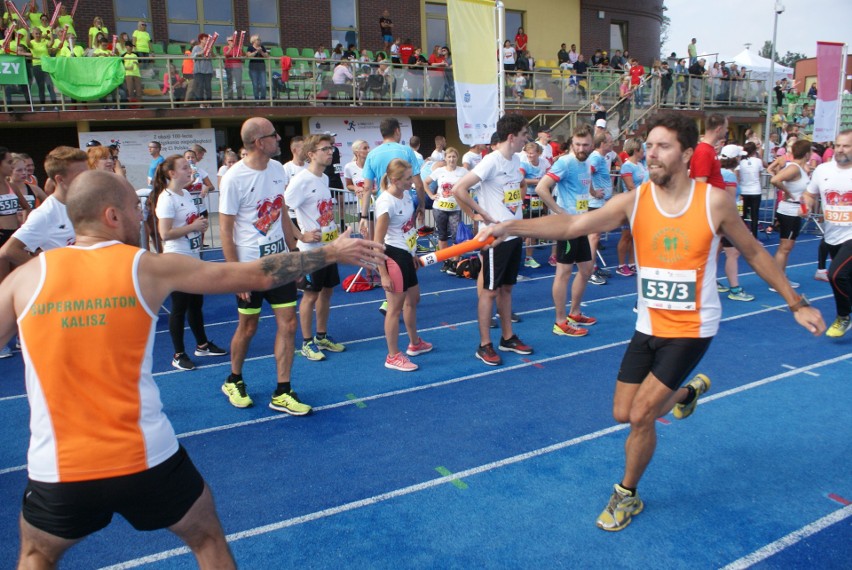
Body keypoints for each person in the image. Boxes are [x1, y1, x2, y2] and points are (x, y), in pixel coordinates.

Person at [0, 169, 385, 568]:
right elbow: (256, 273)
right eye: (136, 208)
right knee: (205, 538)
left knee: (35, 554)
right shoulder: (146, 266)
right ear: (112, 216)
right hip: (145, 457)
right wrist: (332, 253)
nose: (141, 217)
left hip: (58, 468)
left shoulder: (24, 279)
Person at [475, 113, 825, 532]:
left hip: (692, 327)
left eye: (664, 147)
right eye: (651, 146)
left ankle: (626, 495)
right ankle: (685, 394)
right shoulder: (635, 200)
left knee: (641, 415)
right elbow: (571, 224)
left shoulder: (713, 202)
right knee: (623, 412)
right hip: (648, 324)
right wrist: (509, 225)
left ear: (687, 154)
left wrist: (796, 302)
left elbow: (753, 253)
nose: (653, 154)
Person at [218, 118, 307, 414]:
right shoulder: (233, 178)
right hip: (249, 269)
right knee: (249, 326)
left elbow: (281, 210)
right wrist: (236, 276)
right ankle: (234, 378)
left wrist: (293, 253)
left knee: (289, 323)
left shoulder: (277, 169)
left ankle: (283, 390)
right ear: (258, 142)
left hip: (279, 262)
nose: (279, 138)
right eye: (273, 135)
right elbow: (225, 231)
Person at [451, 113, 534, 366]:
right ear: (512, 137)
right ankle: (484, 344)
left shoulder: (516, 159)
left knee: (507, 288)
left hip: (514, 235)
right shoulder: (491, 162)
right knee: (489, 291)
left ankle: (507, 337)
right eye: (523, 136)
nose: (526, 141)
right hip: (495, 239)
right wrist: (480, 214)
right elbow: (458, 189)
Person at [152, 155, 228, 370]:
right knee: (179, 307)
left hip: (193, 256)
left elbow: (189, 223)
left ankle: (202, 344)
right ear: (172, 174)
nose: (190, 171)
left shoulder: (185, 193)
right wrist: (193, 227)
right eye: (185, 168)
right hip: (177, 259)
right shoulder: (166, 198)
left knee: (196, 303)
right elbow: (164, 233)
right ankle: (178, 354)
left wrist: (199, 226)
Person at [284, 134, 347, 361]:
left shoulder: (324, 178)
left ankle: (321, 336)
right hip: (310, 251)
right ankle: (307, 342)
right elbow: (282, 209)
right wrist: (301, 235)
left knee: (327, 292)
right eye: (324, 149)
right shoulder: (301, 180)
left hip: (327, 247)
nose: (330, 152)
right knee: (310, 296)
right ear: (311, 154)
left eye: (331, 148)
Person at [535, 124, 601, 339]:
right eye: (578, 144)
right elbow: (541, 188)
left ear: (592, 145)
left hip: (581, 223)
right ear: (572, 144)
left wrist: (593, 193)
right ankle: (560, 321)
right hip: (567, 226)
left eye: (586, 144)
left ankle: (574, 312)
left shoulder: (588, 162)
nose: (582, 148)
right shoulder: (565, 162)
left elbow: (584, 185)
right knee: (563, 273)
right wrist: (559, 212)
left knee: (586, 270)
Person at [375, 158, 432, 371]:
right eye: (408, 178)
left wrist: (414, 253)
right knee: (394, 308)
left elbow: (407, 228)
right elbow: (377, 242)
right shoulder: (385, 202)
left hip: (407, 254)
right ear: (395, 180)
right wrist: (383, 274)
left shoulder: (406, 195)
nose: (413, 182)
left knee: (413, 299)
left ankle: (415, 343)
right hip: (393, 257)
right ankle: (392, 356)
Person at [803, 129, 852, 337]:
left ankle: (843, 316)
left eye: (846, 146)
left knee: (836, 275)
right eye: (838, 145)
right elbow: (809, 192)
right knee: (846, 279)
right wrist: (807, 203)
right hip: (832, 234)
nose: (841, 150)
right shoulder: (823, 170)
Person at [769, 139, 811, 286]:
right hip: (789, 211)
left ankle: (780, 277)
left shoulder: (799, 168)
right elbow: (775, 179)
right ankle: (778, 281)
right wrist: (787, 191)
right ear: (807, 154)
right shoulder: (794, 168)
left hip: (793, 210)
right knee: (785, 248)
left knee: (785, 247)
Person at [423, 147, 468, 274]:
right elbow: (425, 182)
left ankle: (455, 262)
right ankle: (446, 261)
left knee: (456, 237)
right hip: (439, 208)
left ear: (457, 158)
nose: (452, 159)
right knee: (442, 236)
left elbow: (470, 185)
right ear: (445, 158)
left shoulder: (463, 171)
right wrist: (431, 196)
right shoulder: (439, 171)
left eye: (454, 157)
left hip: (455, 208)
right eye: (449, 157)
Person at [246, 35, 269, 100]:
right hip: (253, 66)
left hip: (261, 66)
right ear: (253, 41)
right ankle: (256, 99)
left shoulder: (262, 47)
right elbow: (249, 55)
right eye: (258, 40)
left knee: (263, 84)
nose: (259, 41)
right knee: (255, 84)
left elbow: (267, 56)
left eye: (260, 40)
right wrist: (256, 52)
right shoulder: (250, 47)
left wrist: (261, 51)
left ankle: (263, 98)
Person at [223, 35, 245, 100]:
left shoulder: (238, 48)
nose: (232, 42)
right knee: (230, 83)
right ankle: (230, 99)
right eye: (231, 40)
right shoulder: (225, 47)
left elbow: (244, 55)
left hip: (238, 66)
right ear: (227, 41)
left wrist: (242, 50)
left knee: (238, 84)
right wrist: (230, 48)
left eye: (233, 40)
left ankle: (239, 99)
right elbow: (226, 55)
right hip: (229, 67)